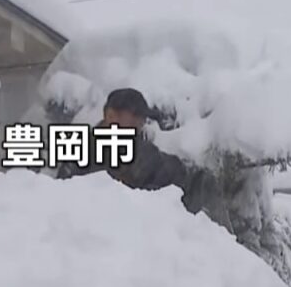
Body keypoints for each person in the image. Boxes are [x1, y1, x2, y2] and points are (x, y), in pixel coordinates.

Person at [62, 87, 211, 214]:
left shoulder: (145, 153)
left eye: (142, 118)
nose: (140, 123)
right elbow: (65, 200)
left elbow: (181, 177)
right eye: (134, 117)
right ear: (111, 116)